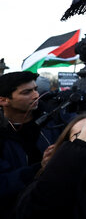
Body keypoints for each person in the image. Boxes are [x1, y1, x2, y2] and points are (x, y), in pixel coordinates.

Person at [0, 71, 64, 218]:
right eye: (27, 92)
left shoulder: (54, 122)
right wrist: (40, 168)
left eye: (35, 89)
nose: (36, 95)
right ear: (3, 100)